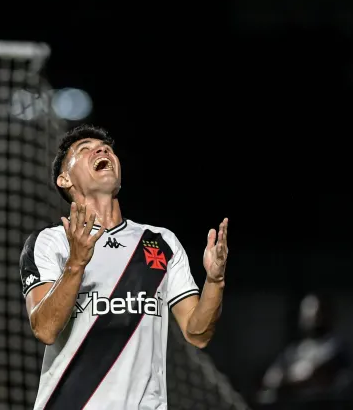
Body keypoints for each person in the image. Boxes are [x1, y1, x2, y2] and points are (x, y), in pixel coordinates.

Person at [18, 125, 229, 409]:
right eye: (84, 149)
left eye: (107, 148)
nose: (102, 150)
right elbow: (44, 329)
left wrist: (214, 282)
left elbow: (198, 333)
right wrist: (76, 263)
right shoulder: (50, 243)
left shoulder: (160, 242)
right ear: (64, 179)